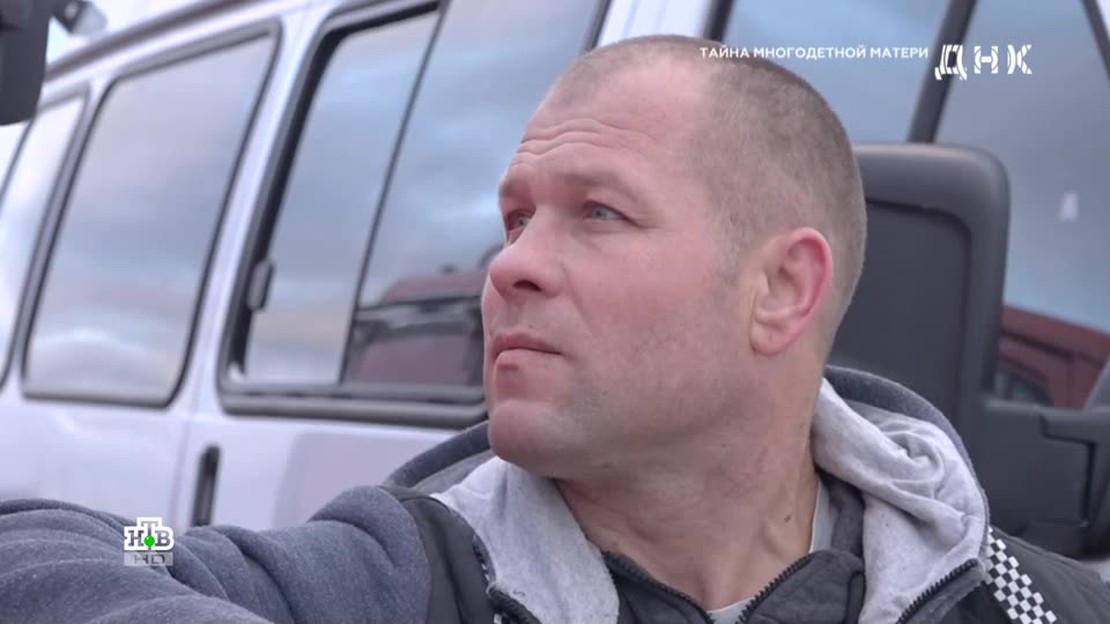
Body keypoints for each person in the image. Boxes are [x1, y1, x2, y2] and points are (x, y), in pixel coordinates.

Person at [1, 34, 1107, 624]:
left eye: (599, 214)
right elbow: (71, 545)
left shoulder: (1034, 603)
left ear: (781, 290)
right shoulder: (396, 570)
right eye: (516, 219)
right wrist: (150, 559)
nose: (509, 266)